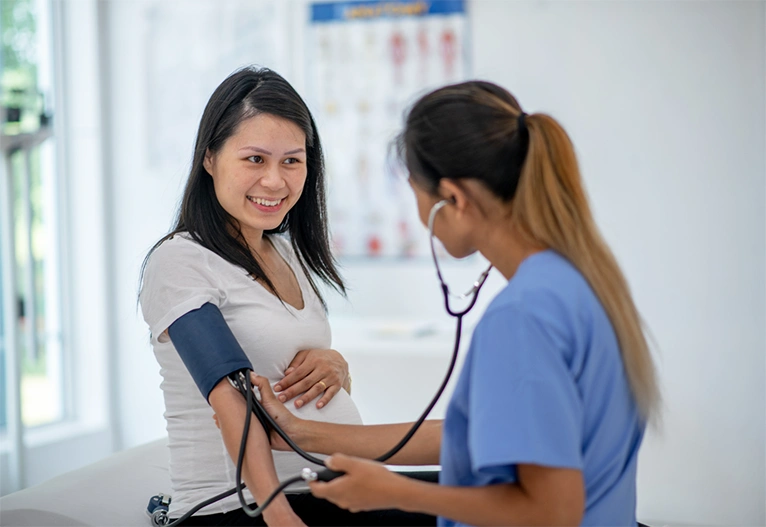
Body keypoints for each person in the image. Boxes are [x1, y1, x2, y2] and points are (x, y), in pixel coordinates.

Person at [250, 80, 661, 526]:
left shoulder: (522, 318)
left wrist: (394, 491)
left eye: (418, 197)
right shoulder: (575, 285)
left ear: (454, 199)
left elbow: (551, 512)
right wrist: (304, 432)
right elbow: (475, 438)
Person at [139, 67, 435, 527]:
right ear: (210, 158)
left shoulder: (287, 251)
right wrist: (278, 515)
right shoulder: (181, 261)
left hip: (323, 486)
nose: (275, 181)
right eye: (255, 159)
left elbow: (294, 381)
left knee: (482, 486)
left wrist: (337, 366)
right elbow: (230, 394)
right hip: (241, 506)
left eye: (291, 161)